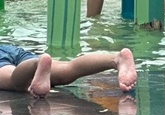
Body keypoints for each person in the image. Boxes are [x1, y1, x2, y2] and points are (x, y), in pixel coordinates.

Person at [0, 44, 137, 98]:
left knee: (14, 80)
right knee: (67, 69)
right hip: (10, 49)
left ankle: (37, 64)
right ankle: (116, 59)